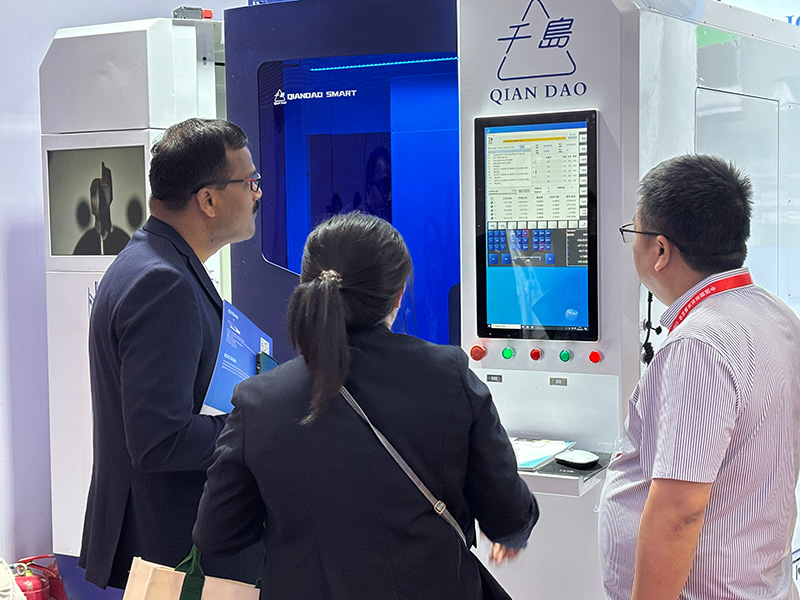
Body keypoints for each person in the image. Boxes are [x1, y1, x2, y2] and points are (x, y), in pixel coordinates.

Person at [193, 212, 538, 599]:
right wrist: (512, 534)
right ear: (398, 295)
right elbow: (509, 515)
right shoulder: (449, 375)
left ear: (306, 287)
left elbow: (217, 535)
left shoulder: (258, 401)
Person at [599, 154, 800, 600]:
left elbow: (679, 512)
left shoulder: (699, 346)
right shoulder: (776, 314)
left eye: (634, 232)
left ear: (661, 250)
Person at [79, 118, 264, 589]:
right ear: (208, 200)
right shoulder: (163, 283)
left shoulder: (153, 261)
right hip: (175, 550)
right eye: (249, 182)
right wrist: (257, 424)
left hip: (165, 539)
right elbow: (159, 440)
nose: (257, 193)